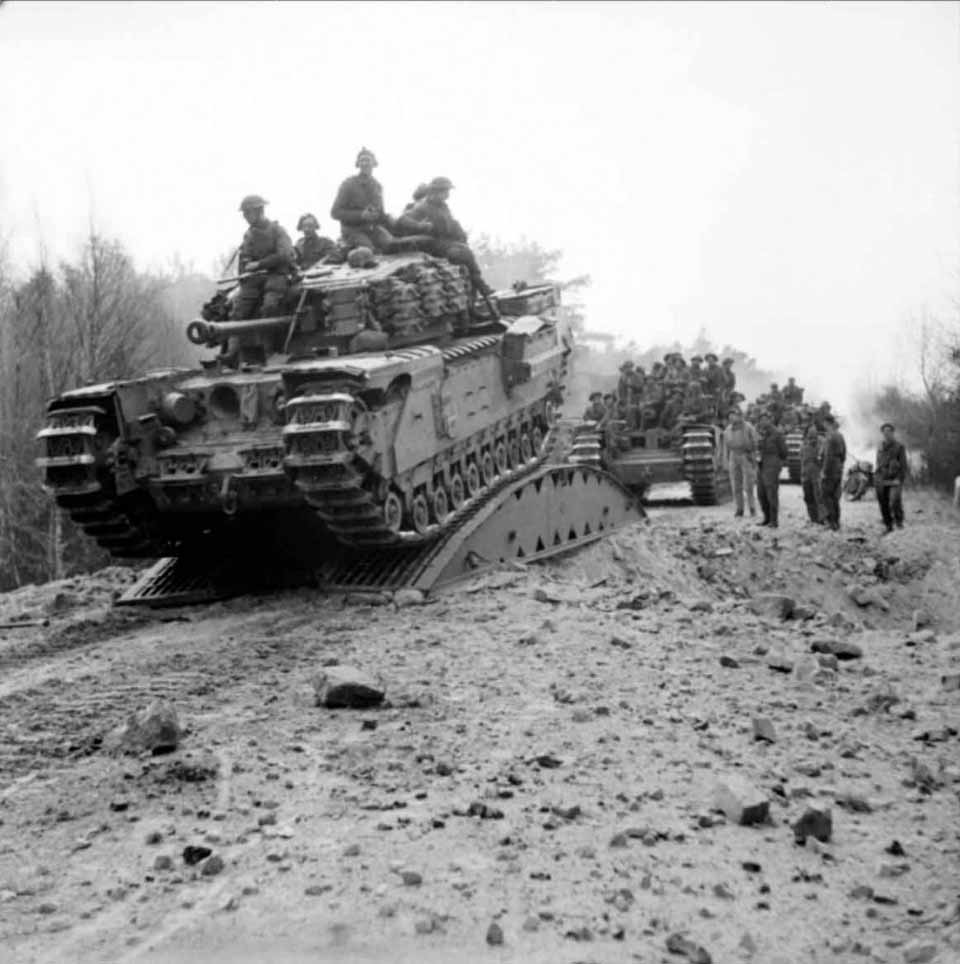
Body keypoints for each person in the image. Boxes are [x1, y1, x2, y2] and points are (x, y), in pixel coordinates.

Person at [397, 176, 493, 295]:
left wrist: (459, 234)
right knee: (462, 255)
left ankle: (475, 290)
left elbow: (450, 224)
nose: (447, 194)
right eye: (445, 191)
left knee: (465, 253)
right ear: (436, 191)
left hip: (445, 242)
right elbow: (402, 219)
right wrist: (420, 226)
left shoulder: (442, 206)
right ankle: (478, 285)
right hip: (432, 244)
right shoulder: (423, 206)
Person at [234, 194, 295, 320]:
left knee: (270, 307)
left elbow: (284, 255)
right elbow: (245, 257)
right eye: (244, 214)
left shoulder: (278, 230)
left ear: (259, 211)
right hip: (255, 277)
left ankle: (268, 339)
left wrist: (259, 264)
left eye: (247, 213)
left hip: (277, 275)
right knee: (238, 311)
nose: (245, 217)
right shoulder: (249, 235)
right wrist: (247, 266)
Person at [330, 147, 397, 251]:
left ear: (374, 163)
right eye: (362, 160)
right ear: (358, 164)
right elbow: (335, 212)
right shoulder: (348, 184)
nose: (365, 163)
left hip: (373, 229)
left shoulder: (377, 186)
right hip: (353, 231)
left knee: (394, 246)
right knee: (369, 251)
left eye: (368, 160)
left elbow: (380, 214)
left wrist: (389, 217)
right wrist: (361, 215)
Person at [723, 407, 758, 518]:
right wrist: (726, 459)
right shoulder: (728, 429)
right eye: (730, 415)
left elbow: (755, 441)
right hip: (734, 455)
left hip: (746, 455)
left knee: (749, 484)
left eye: (734, 414)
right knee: (735, 484)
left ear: (739, 415)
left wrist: (752, 454)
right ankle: (739, 509)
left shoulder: (748, 427)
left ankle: (752, 508)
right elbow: (726, 446)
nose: (731, 417)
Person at [756, 413, 788, 527]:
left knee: (771, 493)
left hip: (772, 464)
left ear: (770, 420)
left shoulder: (777, 434)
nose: (763, 422)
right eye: (761, 420)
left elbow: (784, 452)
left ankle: (774, 520)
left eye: (765, 419)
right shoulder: (761, 433)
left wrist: (776, 463)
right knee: (761, 493)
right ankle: (767, 518)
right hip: (762, 464)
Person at [875, 422, 908, 532]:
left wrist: (900, 479)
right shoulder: (880, 446)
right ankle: (888, 524)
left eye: (889, 431)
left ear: (893, 433)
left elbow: (903, 465)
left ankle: (899, 521)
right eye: (884, 432)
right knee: (883, 502)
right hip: (882, 478)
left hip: (895, 478)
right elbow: (878, 462)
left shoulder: (899, 447)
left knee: (894, 501)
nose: (886, 434)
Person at [820, 414, 847, 530]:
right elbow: (844, 454)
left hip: (830, 469)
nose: (823, 425)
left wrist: (824, 471)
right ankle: (836, 521)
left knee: (826, 496)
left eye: (824, 423)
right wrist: (839, 466)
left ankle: (832, 522)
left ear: (827, 423)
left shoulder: (830, 437)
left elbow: (828, 456)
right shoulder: (840, 436)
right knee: (834, 497)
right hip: (838, 468)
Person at [800, 422, 824, 524]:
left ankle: (821, 518)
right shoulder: (803, 444)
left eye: (813, 435)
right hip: (806, 474)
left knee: (819, 497)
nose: (811, 439)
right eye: (810, 436)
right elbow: (801, 458)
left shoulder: (822, 444)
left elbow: (824, 459)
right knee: (808, 497)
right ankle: (813, 518)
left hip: (817, 474)